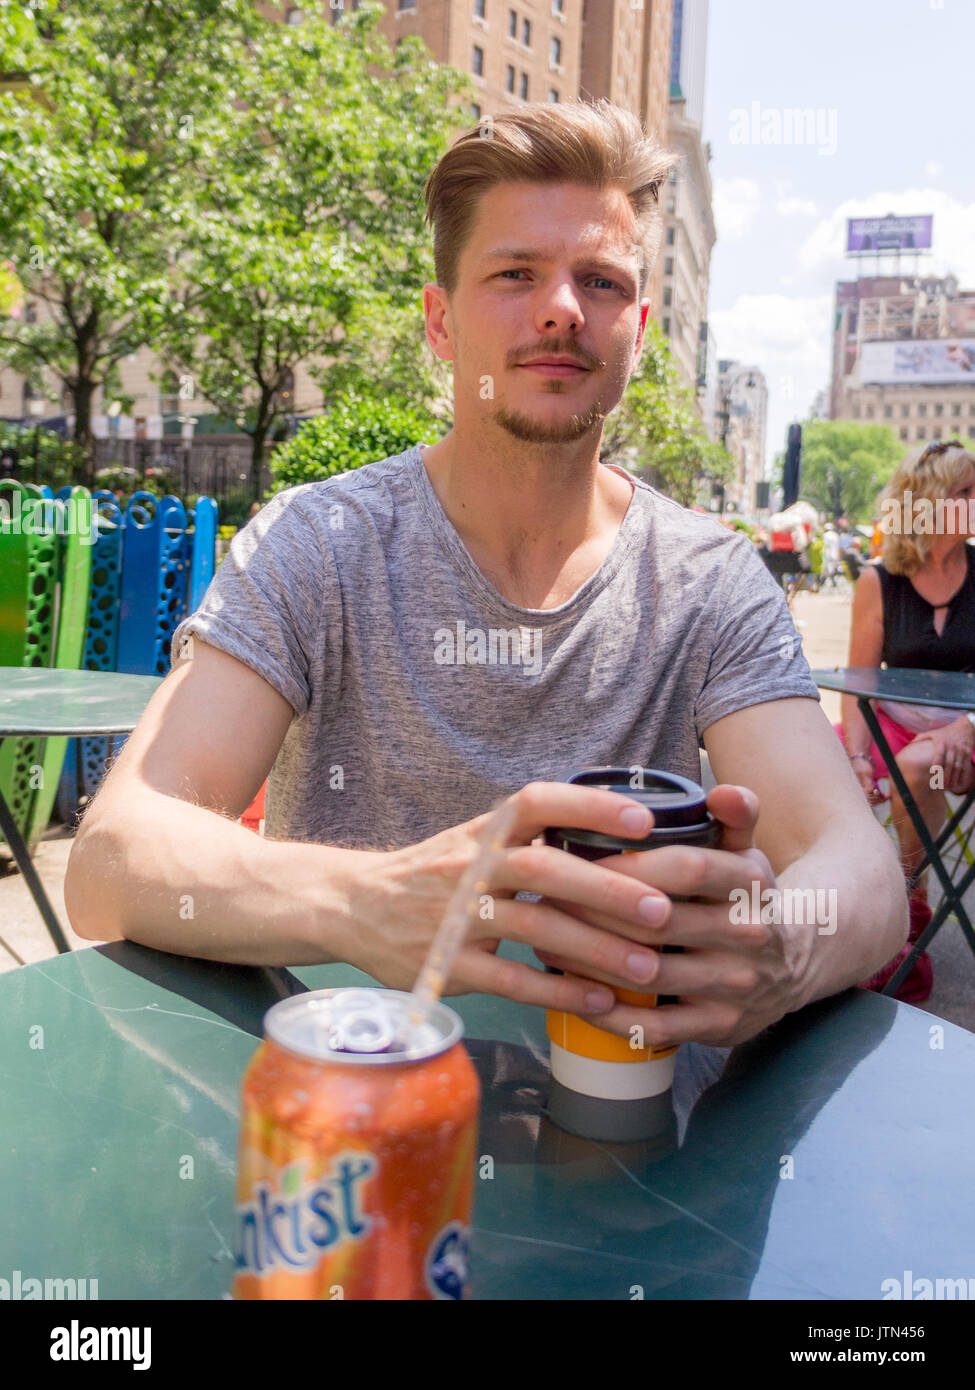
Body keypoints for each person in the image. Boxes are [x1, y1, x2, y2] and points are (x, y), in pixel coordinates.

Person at [64, 100, 905, 1052]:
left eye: (599, 280)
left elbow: (863, 873)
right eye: (515, 274)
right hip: (345, 1111)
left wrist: (779, 953)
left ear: (636, 325)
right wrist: (364, 901)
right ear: (438, 322)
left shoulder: (708, 579)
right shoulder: (319, 541)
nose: (560, 308)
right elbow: (110, 859)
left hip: (624, 1126)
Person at [839, 439, 975, 1001]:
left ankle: (905, 911)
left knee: (917, 767)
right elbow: (858, 682)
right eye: (965, 491)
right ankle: (835, 927)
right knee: (805, 764)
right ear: (930, 501)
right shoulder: (880, 579)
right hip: (890, 723)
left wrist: (964, 726)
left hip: (968, 729)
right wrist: (854, 756)